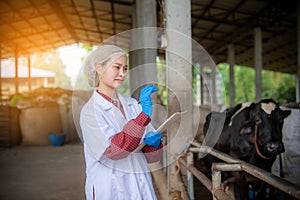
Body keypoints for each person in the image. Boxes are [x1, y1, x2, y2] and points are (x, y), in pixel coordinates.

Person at [79, 44, 163, 200]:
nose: (122, 74)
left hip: (140, 182)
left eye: (125, 68)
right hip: (111, 186)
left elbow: (152, 158)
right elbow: (114, 150)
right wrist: (143, 117)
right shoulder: (91, 112)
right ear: (98, 68)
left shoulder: (132, 104)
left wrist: (154, 145)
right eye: (116, 67)